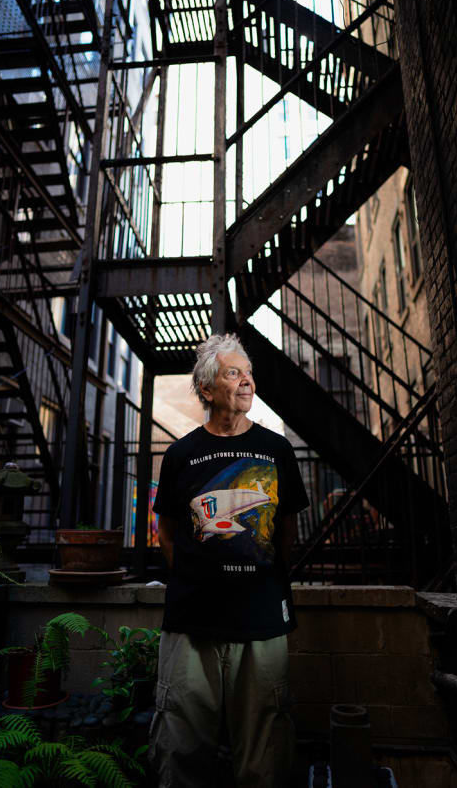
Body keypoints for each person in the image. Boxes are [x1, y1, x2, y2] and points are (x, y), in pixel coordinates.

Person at [149, 333, 309, 788]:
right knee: (181, 747)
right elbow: (166, 533)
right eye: (233, 373)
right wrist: (197, 579)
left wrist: (259, 580)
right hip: (191, 621)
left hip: (261, 621)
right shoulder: (181, 455)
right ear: (206, 389)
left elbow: (286, 533)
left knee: (264, 752)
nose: (247, 382)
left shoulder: (277, 451)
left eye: (249, 373)